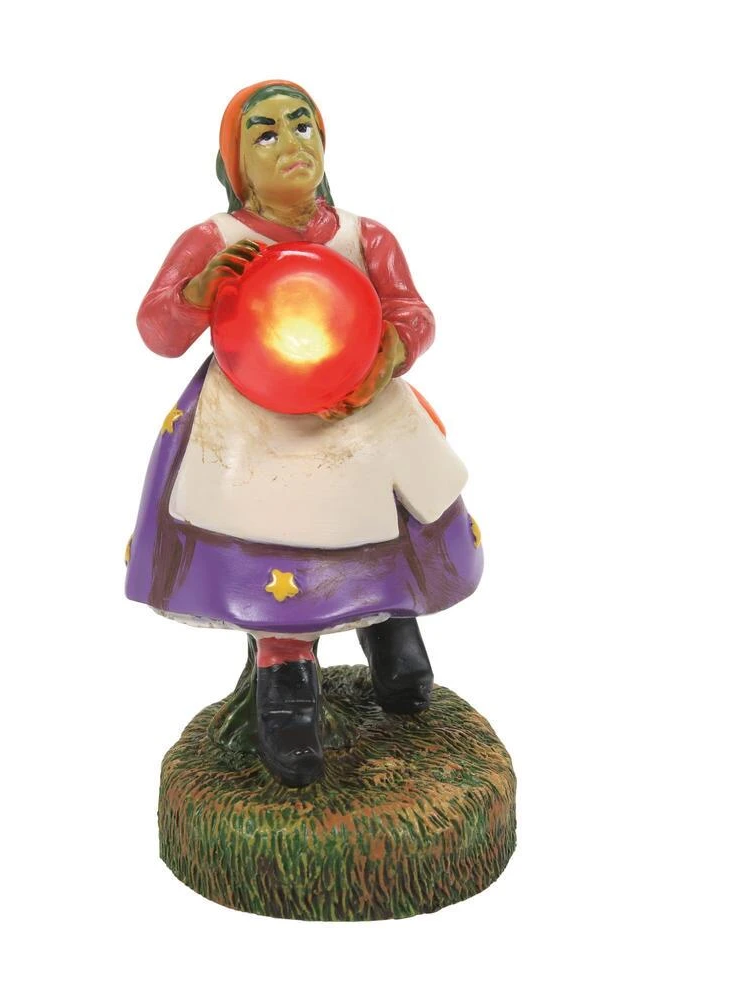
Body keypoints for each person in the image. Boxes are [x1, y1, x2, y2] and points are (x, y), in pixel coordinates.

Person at [126, 80, 483, 786]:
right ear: (236, 162)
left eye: (302, 126)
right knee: (277, 528)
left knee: (384, 513)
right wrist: (196, 293)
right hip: (256, 418)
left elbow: (410, 310)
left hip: (358, 405)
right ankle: (285, 673)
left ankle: (391, 628)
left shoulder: (363, 236)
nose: (291, 144)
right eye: (266, 133)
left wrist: (388, 353)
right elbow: (156, 329)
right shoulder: (214, 241)